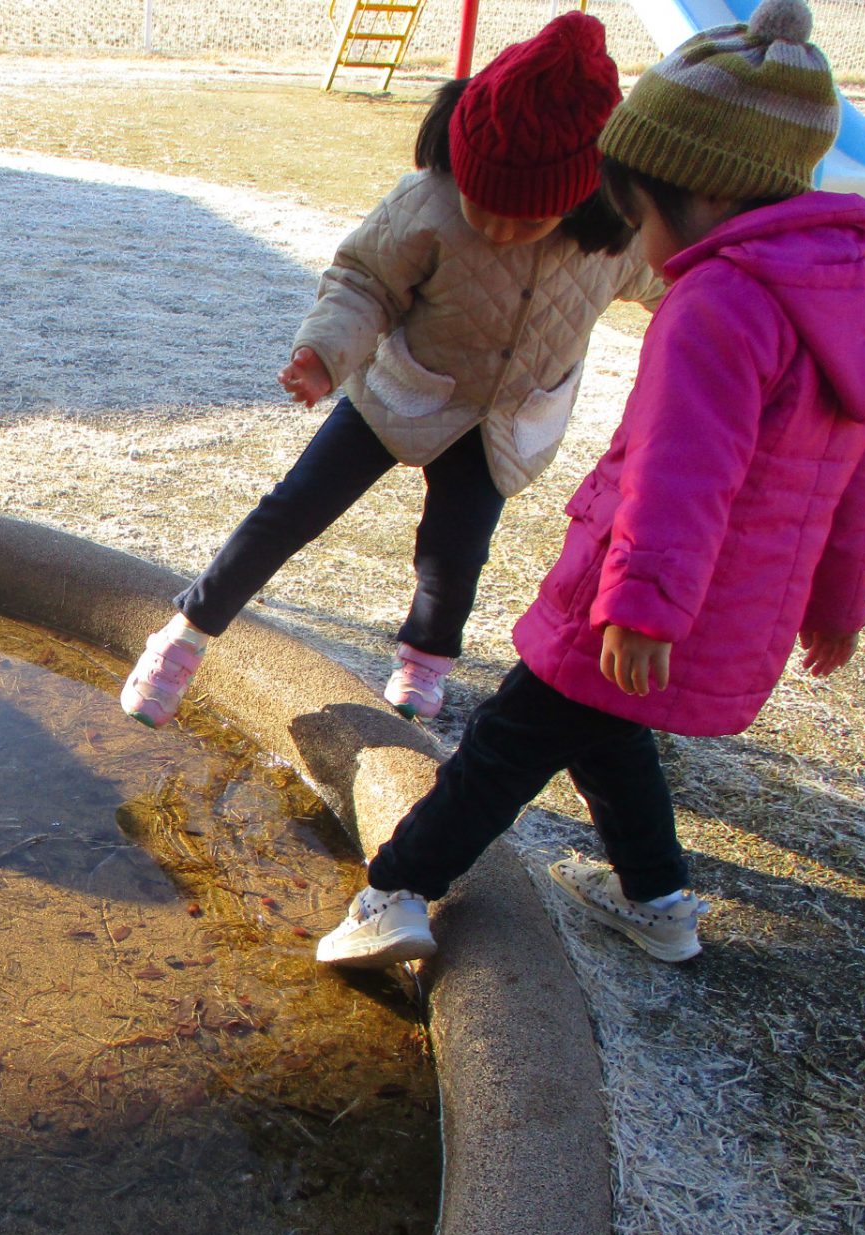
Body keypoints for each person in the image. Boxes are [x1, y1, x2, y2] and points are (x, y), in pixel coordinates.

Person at [314, 0, 865, 970]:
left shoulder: (718, 304)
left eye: (638, 216)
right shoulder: (858, 295)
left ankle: (397, 890)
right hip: (710, 611)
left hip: (634, 599)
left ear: (698, 192)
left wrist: (637, 607)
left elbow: (682, 472)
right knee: (606, 732)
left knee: (507, 742)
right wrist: (841, 602)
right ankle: (660, 903)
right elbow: (857, 468)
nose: (635, 239)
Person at [121, 12, 659, 728]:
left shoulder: (615, 239)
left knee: (455, 551)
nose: (499, 231)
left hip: (504, 421)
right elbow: (364, 281)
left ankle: (425, 660)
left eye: (527, 222)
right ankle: (185, 635)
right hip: (402, 390)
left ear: (584, 196)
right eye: (482, 207)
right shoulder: (428, 203)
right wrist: (323, 355)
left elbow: (681, 287)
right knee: (294, 507)